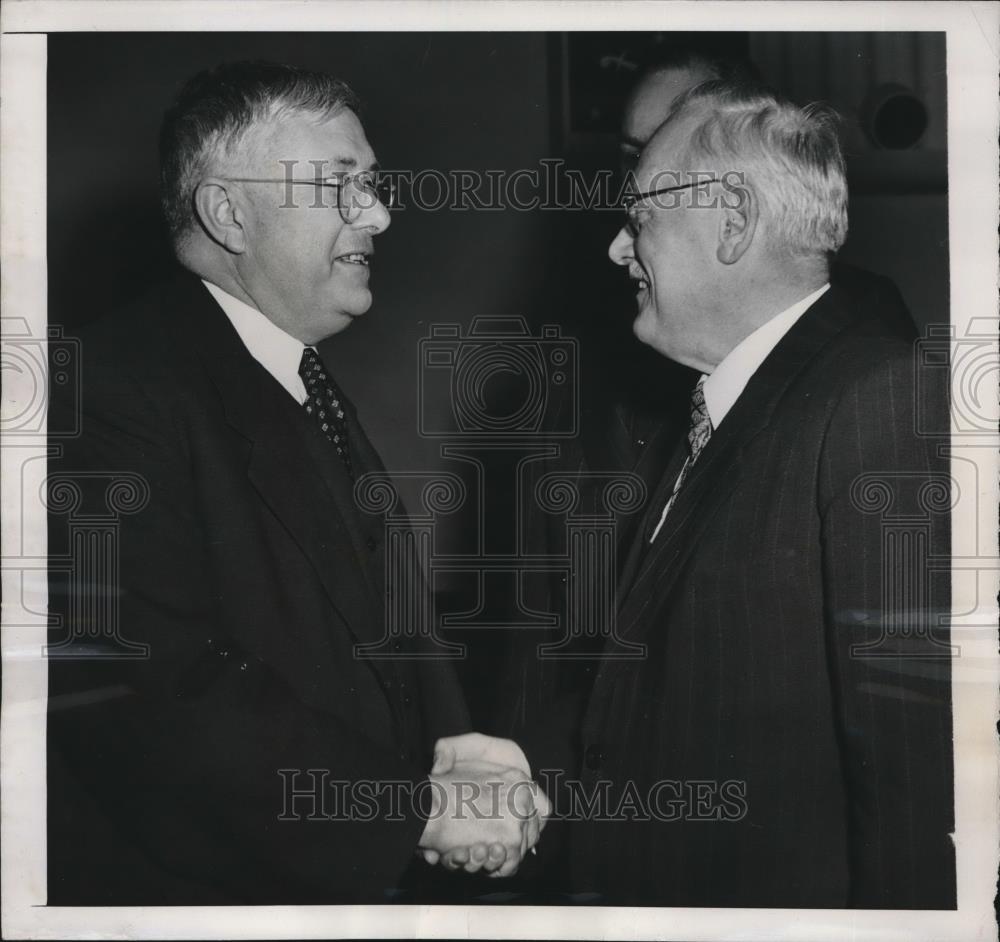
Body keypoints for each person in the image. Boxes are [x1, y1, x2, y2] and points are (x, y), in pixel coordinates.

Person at [46, 60, 546, 905]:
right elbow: (153, 688)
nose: (380, 215)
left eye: (375, 185)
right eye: (341, 186)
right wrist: (413, 809)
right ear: (229, 212)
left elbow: (377, 616)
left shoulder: (286, 373)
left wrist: (453, 745)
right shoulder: (113, 389)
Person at [458, 79, 955, 907]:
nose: (619, 249)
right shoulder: (722, 408)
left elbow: (915, 783)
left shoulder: (875, 399)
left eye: (639, 215)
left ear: (731, 220)